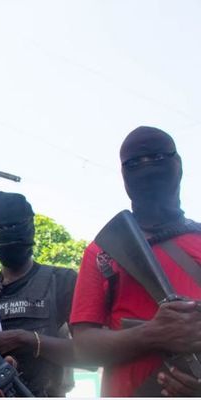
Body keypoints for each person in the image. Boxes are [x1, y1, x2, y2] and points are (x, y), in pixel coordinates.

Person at [70, 126, 201, 397]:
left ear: (177, 164)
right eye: (134, 164)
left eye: (157, 158)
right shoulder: (103, 252)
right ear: (123, 175)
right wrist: (155, 333)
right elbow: (84, 347)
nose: (147, 167)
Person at [0, 191, 78, 397]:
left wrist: (27, 340)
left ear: (29, 229)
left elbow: (90, 355)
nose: (5, 234)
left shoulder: (61, 281)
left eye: (12, 227)